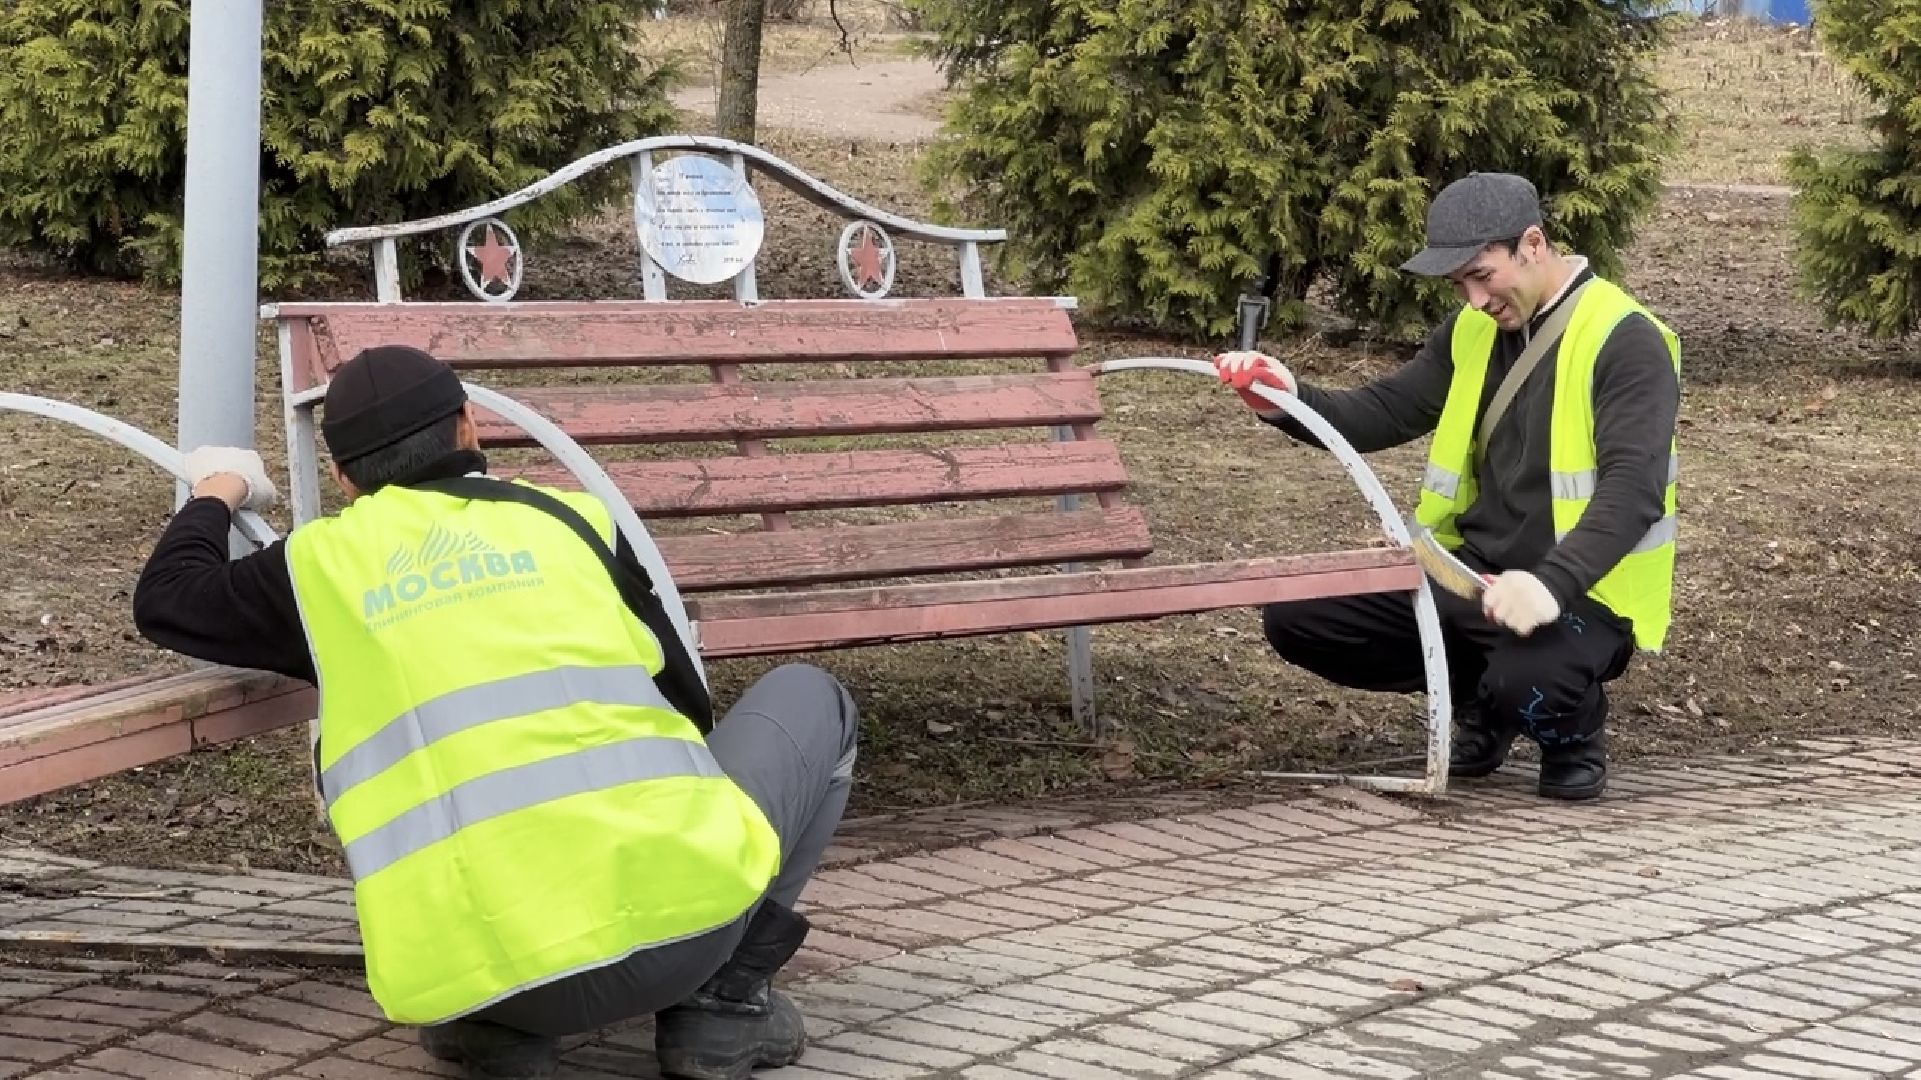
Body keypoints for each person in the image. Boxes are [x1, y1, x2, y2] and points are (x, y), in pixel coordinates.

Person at [132, 344, 859, 1080]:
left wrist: (218, 487)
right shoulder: (571, 522)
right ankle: (722, 1006)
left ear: (344, 477)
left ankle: (494, 1032)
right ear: (468, 428)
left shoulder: (315, 570)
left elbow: (166, 599)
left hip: (470, 975)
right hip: (683, 934)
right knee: (812, 696)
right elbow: (686, 708)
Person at [1214, 171, 1680, 801]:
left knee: (1531, 681)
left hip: (1580, 593)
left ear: (1533, 244)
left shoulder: (1626, 340)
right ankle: (1483, 704)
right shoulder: (1472, 331)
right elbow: (1387, 410)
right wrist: (1285, 398)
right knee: (1301, 618)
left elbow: (1634, 487)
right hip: (1473, 577)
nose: (1473, 300)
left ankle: (1568, 731)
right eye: (1458, 283)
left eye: (1482, 276)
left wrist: (1551, 583)